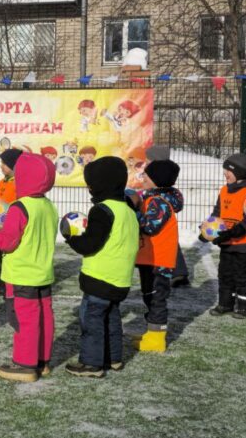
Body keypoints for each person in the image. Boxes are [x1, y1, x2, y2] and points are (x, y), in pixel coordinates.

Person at [0, 153, 58, 382]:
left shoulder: (19, 207)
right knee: (44, 317)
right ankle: (42, 361)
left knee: (24, 320)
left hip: (21, 275)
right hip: (43, 274)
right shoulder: (48, 206)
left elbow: (8, 242)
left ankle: (25, 365)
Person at [64, 156, 139, 378]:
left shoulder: (102, 211)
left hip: (100, 278)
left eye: (90, 183)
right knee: (112, 318)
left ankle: (91, 363)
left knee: (92, 320)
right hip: (121, 278)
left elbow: (90, 244)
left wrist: (72, 237)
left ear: (100, 184)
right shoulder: (128, 211)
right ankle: (114, 358)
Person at [132, 159, 182, 353]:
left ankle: (157, 339)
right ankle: (151, 332)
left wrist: (134, 215)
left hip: (159, 260)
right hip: (149, 258)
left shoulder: (159, 202)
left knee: (156, 298)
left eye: (146, 174)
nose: (143, 177)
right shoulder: (152, 199)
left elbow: (151, 226)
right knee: (149, 296)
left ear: (156, 179)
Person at [204, 150, 246, 319]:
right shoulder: (224, 190)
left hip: (245, 242)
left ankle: (245, 307)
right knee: (225, 273)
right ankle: (225, 304)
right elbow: (217, 213)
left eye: (229, 171)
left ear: (240, 172)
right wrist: (206, 229)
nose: (225, 174)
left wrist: (231, 232)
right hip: (227, 241)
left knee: (242, 275)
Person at [145, 145, 190, 287]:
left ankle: (178, 275)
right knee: (171, 247)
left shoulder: (162, 191)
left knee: (168, 248)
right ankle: (179, 274)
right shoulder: (164, 188)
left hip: (160, 228)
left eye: (148, 160)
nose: (146, 163)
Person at [0, 148, 21, 296]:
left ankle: (12, 288)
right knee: (1, 256)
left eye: (4, 163)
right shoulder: (2, 182)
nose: (1, 166)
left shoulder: (19, 184)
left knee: (11, 258)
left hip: (12, 226)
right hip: (0, 227)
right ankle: (3, 285)